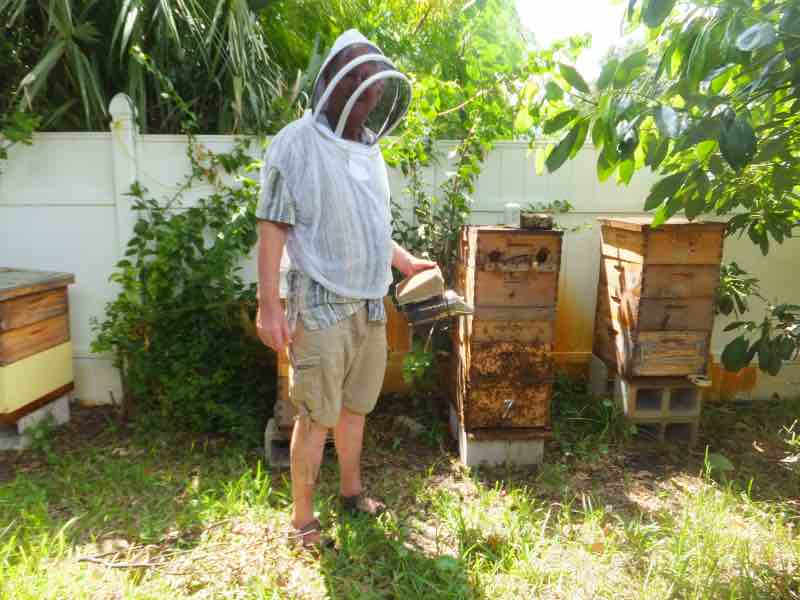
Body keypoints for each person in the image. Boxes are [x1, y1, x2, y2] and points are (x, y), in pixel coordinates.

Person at [255, 29, 435, 551]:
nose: (366, 89)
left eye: (372, 79)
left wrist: (403, 261)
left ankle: (352, 493)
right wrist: (270, 306)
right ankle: (303, 520)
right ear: (330, 81)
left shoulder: (367, 149)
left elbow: (370, 223)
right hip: (320, 303)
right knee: (316, 416)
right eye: (354, 76)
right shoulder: (295, 142)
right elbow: (272, 228)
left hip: (370, 302)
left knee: (356, 410)